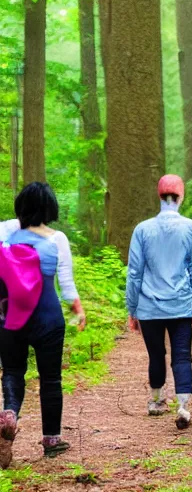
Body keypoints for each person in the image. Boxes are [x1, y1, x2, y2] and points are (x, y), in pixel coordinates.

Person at [0, 182, 86, 466]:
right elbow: (67, 282)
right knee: (51, 379)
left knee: (13, 371)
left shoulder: (7, 239)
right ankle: (51, 440)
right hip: (47, 316)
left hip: (10, 317)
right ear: (51, 209)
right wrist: (77, 308)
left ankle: (10, 412)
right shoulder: (56, 239)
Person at [126, 174, 192, 430]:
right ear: (181, 196)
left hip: (149, 306)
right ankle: (183, 406)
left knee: (156, 354)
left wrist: (132, 308)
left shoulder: (142, 229)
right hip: (181, 304)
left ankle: (156, 400)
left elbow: (134, 272)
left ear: (159, 196)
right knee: (182, 356)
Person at [0, 218, 86, 321]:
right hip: (45, 309)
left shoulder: (7, 232)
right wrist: (76, 305)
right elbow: (66, 280)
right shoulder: (57, 238)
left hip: (11, 310)